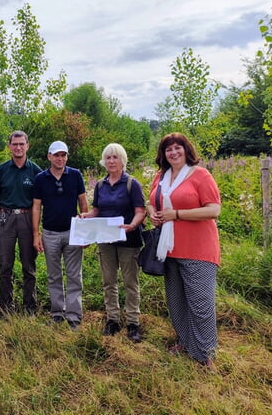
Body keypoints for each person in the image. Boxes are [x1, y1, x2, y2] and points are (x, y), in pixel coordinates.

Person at [147, 132, 221, 367]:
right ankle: (186, 342)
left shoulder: (200, 175)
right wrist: (152, 213)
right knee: (177, 301)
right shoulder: (161, 176)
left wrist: (176, 214)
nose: (173, 152)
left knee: (200, 303)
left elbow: (213, 210)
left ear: (186, 150)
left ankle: (205, 353)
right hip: (169, 248)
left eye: (178, 148)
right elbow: (152, 201)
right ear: (163, 154)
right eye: (169, 149)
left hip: (198, 248)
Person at [80, 143, 146, 342]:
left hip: (129, 239)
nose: (111, 161)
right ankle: (113, 320)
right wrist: (86, 216)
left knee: (130, 282)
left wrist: (132, 225)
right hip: (106, 240)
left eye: (115, 157)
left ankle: (133, 322)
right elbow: (97, 210)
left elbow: (140, 211)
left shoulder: (131, 184)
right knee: (109, 281)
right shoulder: (100, 185)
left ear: (122, 160)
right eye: (108, 157)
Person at [32, 141, 87, 330]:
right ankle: (57, 312)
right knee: (53, 275)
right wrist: (36, 233)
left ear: (67, 157)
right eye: (56, 155)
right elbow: (37, 207)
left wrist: (84, 231)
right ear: (49, 156)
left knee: (74, 275)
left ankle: (73, 316)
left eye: (63, 155)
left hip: (73, 231)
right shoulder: (41, 178)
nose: (60, 158)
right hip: (50, 233)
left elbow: (83, 202)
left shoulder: (75, 175)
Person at [0, 130, 42, 315]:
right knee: (5, 265)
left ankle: (30, 306)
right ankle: (6, 307)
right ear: (9, 146)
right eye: (15, 144)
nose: (18, 147)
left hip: (28, 218)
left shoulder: (36, 171)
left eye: (22, 144)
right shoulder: (2, 170)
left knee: (29, 265)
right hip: (6, 217)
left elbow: (40, 201)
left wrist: (37, 228)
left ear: (27, 145)